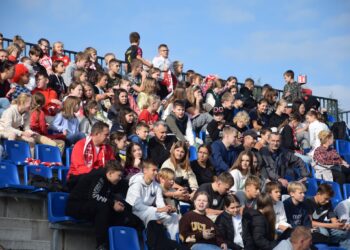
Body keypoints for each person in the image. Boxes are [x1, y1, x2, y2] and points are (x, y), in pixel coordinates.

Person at [66, 160, 143, 250]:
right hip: (76, 205)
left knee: (123, 206)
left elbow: (105, 196)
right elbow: (94, 195)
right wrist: (112, 203)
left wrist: (115, 202)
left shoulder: (109, 180)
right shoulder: (99, 177)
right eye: (119, 176)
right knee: (104, 207)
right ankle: (101, 245)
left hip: (90, 205)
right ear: (110, 173)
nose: (120, 178)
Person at [126, 160, 179, 240]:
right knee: (152, 213)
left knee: (174, 216)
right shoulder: (136, 184)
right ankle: (153, 244)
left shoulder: (156, 186)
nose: (156, 173)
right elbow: (137, 206)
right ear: (145, 170)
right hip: (134, 212)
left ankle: (173, 242)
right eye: (153, 170)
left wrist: (168, 209)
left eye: (157, 170)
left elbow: (160, 204)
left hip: (149, 211)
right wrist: (158, 209)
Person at [66, 121, 115, 190]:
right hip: (78, 176)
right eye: (106, 135)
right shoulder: (81, 145)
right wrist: (99, 174)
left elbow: (112, 164)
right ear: (97, 134)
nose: (108, 137)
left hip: (100, 177)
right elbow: (80, 168)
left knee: (122, 183)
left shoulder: (107, 148)